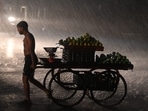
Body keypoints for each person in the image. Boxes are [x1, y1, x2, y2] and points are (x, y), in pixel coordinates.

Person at [16, 21, 49, 105]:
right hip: (29, 59)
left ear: (22, 28)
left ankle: (28, 100)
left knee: (25, 79)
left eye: (18, 28)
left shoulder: (28, 36)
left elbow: (31, 50)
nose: (18, 30)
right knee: (31, 79)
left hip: (30, 59)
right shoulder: (27, 36)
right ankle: (46, 91)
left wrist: (33, 63)